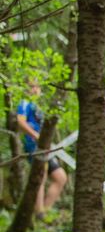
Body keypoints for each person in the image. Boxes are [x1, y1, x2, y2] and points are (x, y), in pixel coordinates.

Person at [15, 85, 68, 215]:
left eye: (37, 87)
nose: (35, 89)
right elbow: (20, 122)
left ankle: (44, 210)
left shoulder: (41, 106)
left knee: (60, 177)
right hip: (33, 145)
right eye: (32, 86)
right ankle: (39, 212)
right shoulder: (24, 103)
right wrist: (35, 136)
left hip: (46, 146)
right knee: (41, 176)